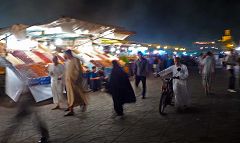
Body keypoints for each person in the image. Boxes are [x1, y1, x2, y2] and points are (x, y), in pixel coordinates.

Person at [64, 49, 88, 116]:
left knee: (76, 94)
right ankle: (71, 109)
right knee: (70, 95)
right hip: (68, 81)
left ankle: (82, 103)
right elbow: (66, 71)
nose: (65, 56)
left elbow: (79, 70)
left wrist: (76, 79)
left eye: (66, 55)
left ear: (69, 54)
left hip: (74, 81)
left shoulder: (76, 60)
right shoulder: (67, 61)